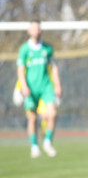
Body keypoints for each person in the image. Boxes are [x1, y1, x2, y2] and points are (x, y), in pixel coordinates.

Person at [16, 20, 62, 158]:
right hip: (31, 88)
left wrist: (58, 85)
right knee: (33, 118)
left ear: (40, 31)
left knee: (52, 113)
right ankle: (34, 146)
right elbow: (20, 69)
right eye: (33, 28)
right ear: (29, 31)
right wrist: (23, 86)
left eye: (38, 28)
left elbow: (53, 67)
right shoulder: (24, 49)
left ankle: (47, 141)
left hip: (46, 86)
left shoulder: (47, 49)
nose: (36, 31)